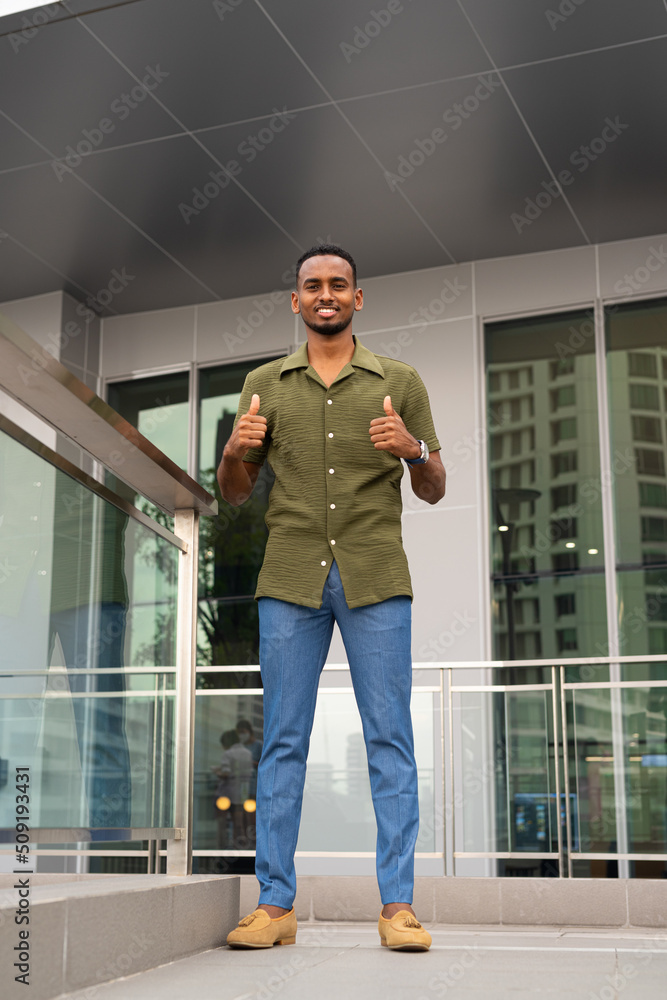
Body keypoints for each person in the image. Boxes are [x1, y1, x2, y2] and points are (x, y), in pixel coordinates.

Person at [217, 245, 446, 951]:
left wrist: (412, 449)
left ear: (356, 298)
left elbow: (434, 487)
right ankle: (275, 907)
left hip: (376, 577)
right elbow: (234, 494)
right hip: (289, 580)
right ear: (295, 301)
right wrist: (232, 451)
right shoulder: (264, 383)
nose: (325, 294)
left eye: (337, 285)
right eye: (312, 286)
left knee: (390, 740)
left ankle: (397, 908)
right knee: (282, 739)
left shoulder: (398, 380)